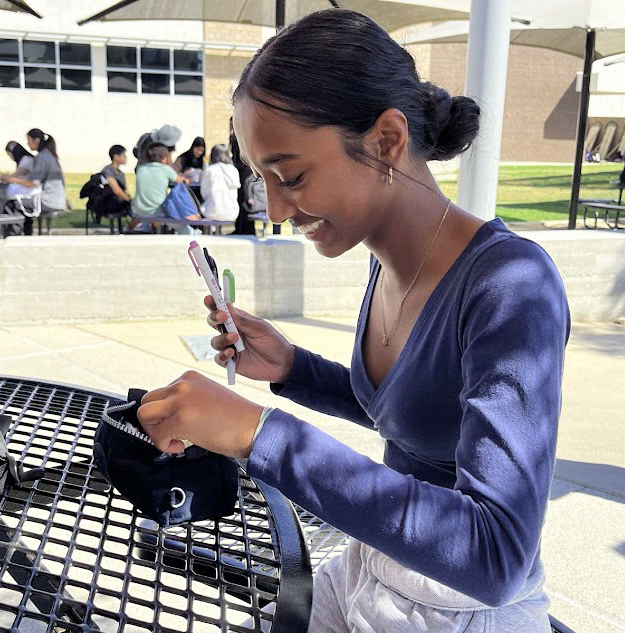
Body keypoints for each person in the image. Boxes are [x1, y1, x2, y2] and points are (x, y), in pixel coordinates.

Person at [135, 10, 569, 633]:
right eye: (264, 182)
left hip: (461, 606)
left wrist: (260, 435)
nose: (279, 210)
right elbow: (422, 420)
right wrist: (294, 370)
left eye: (292, 176)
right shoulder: (389, 262)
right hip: (378, 562)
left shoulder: (511, 287)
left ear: (387, 141)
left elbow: (495, 554)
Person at [2, 129, 66, 235]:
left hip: (48, 201)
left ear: (36, 140)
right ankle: (26, 234)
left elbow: (33, 183)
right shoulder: (48, 155)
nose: (27, 143)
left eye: (28, 140)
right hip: (56, 199)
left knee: (12, 205)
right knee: (23, 204)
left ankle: (15, 236)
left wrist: (11, 179)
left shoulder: (42, 157)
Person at [130, 143, 187, 222]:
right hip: (158, 210)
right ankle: (191, 232)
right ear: (163, 158)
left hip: (138, 209)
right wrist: (185, 178)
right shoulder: (166, 169)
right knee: (176, 219)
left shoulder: (141, 168)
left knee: (147, 220)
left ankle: (140, 229)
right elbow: (178, 180)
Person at [199, 144, 241, 222]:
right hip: (232, 212)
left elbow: (204, 193)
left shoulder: (210, 170)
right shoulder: (234, 170)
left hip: (211, 212)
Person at [101, 144, 132, 211]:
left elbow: (124, 191)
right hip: (110, 202)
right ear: (116, 157)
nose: (126, 157)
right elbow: (116, 190)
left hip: (120, 201)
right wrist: (130, 201)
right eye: (124, 155)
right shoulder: (108, 171)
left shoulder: (121, 173)